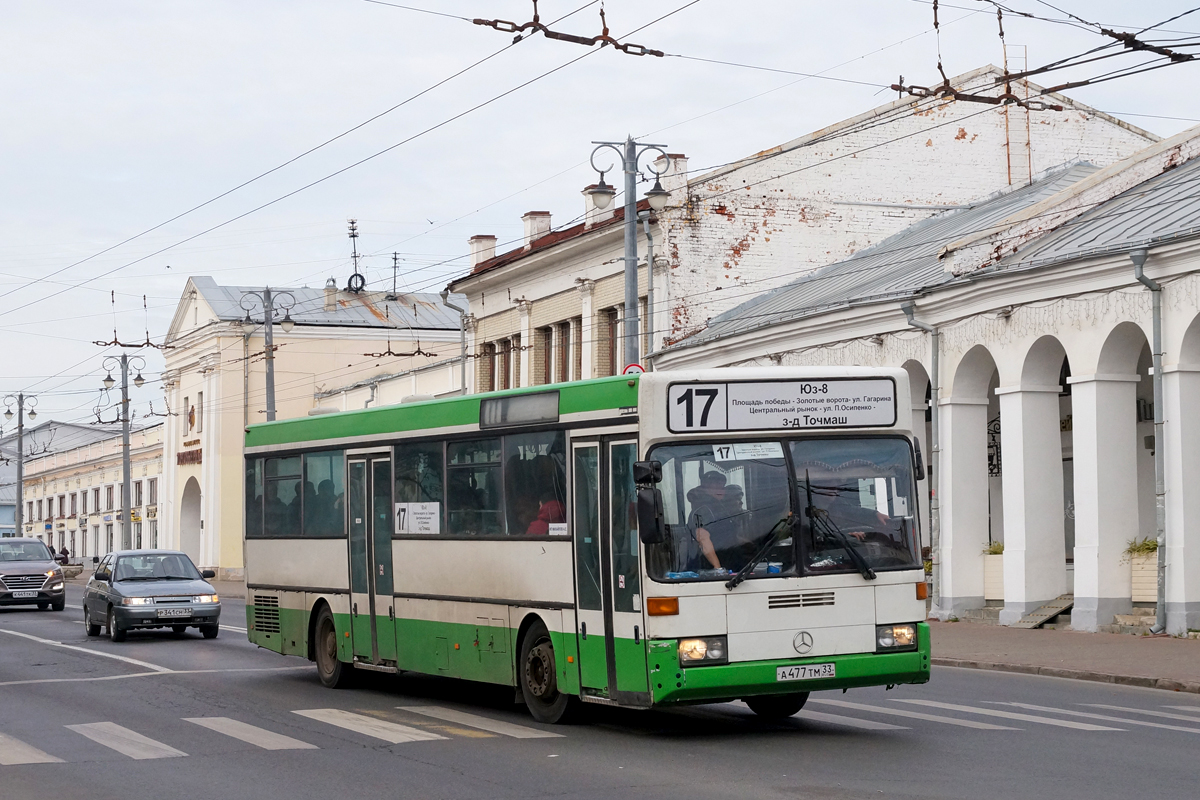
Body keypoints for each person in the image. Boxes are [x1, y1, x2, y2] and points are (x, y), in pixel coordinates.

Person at [688, 472, 750, 571]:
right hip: (714, 567)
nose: (720, 490)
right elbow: (703, 540)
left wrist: (751, 545)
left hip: (731, 562)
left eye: (722, 486)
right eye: (715, 487)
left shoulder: (719, 508)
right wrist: (718, 568)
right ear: (705, 489)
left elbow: (727, 535)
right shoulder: (702, 510)